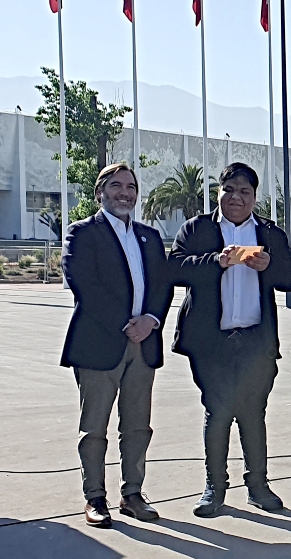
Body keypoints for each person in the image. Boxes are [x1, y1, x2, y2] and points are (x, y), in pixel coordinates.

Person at [169, 162, 291, 517]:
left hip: (256, 341)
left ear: (255, 197)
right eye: (229, 190)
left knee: (253, 413)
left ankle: (258, 485)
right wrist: (216, 261)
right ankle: (215, 487)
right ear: (219, 193)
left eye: (245, 192)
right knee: (219, 411)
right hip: (212, 343)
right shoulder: (197, 228)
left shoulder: (270, 233)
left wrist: (269, 266)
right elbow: (174, 268)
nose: (236, 198)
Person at [61, 163, 172, 528]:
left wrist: (150, 320)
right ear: (100, 192)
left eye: (131, 186)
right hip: (99, 344)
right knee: (94, 427)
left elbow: (162, 285)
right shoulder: (82, 233)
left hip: (143, 343)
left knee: (138, 425)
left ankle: (132, 494)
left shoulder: (149, 237)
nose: (125, 192)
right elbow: (85, 286)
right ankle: (95, 497)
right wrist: (126, 323)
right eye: (116, 186)